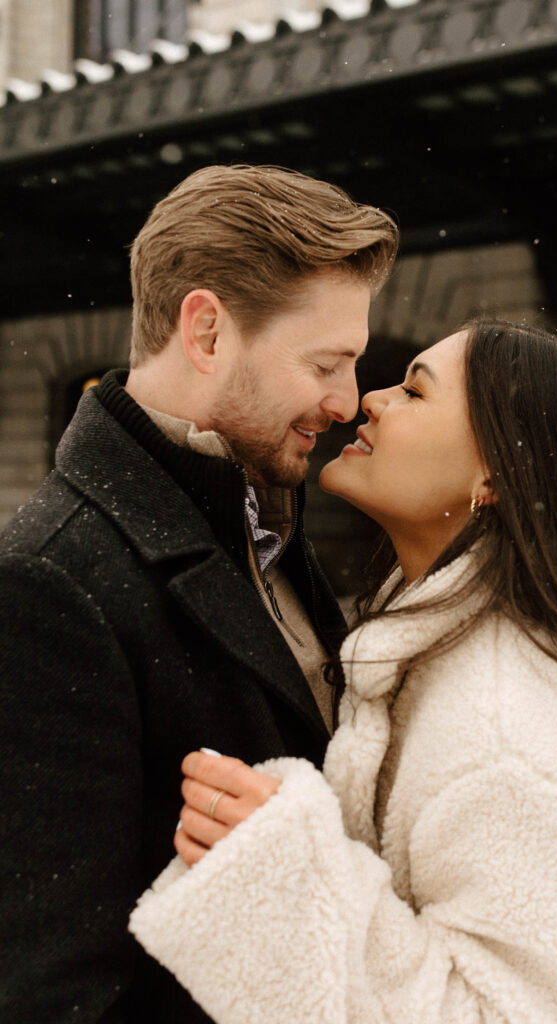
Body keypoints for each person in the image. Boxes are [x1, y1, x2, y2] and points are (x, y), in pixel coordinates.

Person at [131, 318, 557, 1024]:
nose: (370, 399)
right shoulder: (460, 658)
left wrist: (287, 880)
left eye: (414, 393)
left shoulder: (507, 728)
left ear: (495, 476)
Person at [0, 164, 398, 1023]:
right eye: (327, 362)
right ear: (207, 330)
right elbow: (53, 989)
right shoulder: (46, 581)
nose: (347, 401)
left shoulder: (261, 514)